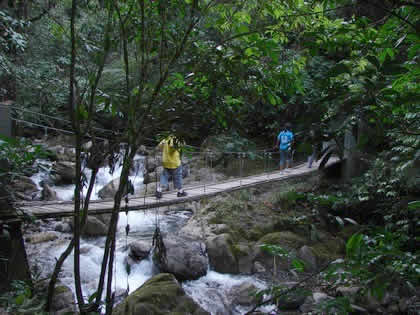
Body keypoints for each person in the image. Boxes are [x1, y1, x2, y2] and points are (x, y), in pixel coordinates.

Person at [155, 134, 187, 199]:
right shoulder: (177, 140)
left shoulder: (165, 139)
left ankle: (159, 190)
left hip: (166, 162)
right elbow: (183, 145)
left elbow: (159, 146)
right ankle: (180, 192)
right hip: (174, 162)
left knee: (164, 176)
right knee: (178, 176)